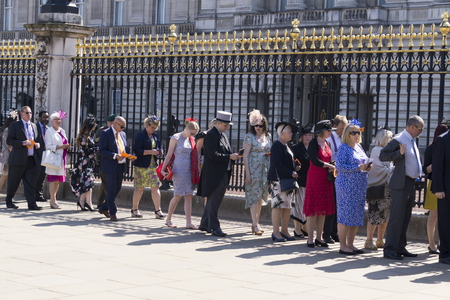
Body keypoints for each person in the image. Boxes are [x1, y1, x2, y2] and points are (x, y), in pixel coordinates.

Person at [380, 115, 424, 260]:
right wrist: (399, 153)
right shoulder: (399, 139)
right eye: (420, 129)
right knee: (396, 217)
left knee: (405, 217)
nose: (421, 132)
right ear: (412, 127)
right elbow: (383, 155)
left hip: (410, 182)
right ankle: (390, 249)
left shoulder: (411, 140)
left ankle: (400, 247)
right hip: (401, 183)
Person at [198, 111, 239, 237]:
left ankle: (205, 224)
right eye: (226, 125)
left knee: (214, 199)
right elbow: (212, 155)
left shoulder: (221, 134)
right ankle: (215, 227)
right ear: (219, 123)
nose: (227, 128)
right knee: (214, 200)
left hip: (222, 172)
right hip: (214, 174)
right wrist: (229, 157)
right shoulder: (211, 135)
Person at [335, 120, 371, 255]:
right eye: (353, 132)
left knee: (356, 215)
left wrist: (367, 166)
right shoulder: (344, 147)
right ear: (347, 134)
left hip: (359, 186)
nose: (356, 135)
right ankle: (343, 246)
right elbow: (339, 166)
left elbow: (363, 162)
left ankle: (351, 244)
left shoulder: (359, 147)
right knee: (345, 215)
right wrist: (358, 167)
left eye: (358, 132)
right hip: (346, 186)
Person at [161, 118, 200, 229]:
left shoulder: (190, 139)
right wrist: (163, 169)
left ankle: (188, 222)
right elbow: (168, 155)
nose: (193, 135)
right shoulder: (176, 137)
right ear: (187, 128)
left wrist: (198, 168)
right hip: (179, 171)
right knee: (177, 195)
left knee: (189, 196)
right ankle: (168, 219)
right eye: (192, 132)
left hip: (189, 171)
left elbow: (194, 155)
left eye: (194, 134)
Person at [303, 120, 336, 248]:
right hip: (315, 178)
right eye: (329, 130)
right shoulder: (313, 142)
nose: (331, 132)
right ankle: (310, 238)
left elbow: (329, 158)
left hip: (325, 179)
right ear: (322, 131)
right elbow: (314, 160)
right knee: (313, 209)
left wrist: (331, 164)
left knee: (322, 210)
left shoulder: (327, 143)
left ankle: (319, 237)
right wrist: (328, 165)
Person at [5, 106, 44, 210]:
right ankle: (9, 200)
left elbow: (36, 139)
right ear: (21, 114)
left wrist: (37, 144)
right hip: (18, 159)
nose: (29, 114)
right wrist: (22, 143)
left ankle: (32, 204)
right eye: (27, 112)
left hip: (31, 159)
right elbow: (9, 141)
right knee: (14, 181)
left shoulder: (34, 126)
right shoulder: (15, 125)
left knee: (30, 183)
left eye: (30, 112)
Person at [97, 116, 136, 221]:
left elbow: (124, 148)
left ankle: (103, 207)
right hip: (110, 165)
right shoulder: (105, 133)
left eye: (124, 127)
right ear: (115, 123)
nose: (123, 129)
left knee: (117, 188)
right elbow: (102, 150)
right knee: (111, 188)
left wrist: (129, 156)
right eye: (122, 126)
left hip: (121, 165)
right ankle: (112, 212)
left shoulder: (122, 134)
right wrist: (115, 155)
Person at [267, 121, 300, 242]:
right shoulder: (277, 144)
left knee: (287, 206)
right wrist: (291, 172)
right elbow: (277, 163)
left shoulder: (286, 145)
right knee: (277, 206)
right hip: (279, 180)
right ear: (282, 133)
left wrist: (294, 168)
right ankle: (276, 232)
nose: (292, 134)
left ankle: (284, 230)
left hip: (287, 180)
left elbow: (284, 163)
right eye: (290, 132)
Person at [365, 126, 394, 251]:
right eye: (390, 138)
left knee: (385, 216)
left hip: (386, 188)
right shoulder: (377, 150)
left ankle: (380, 240)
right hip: (377, 187)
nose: (392, 140)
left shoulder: (384, 150)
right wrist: (392, 169)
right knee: (375, 215)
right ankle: (368, 240)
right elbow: (378, 169)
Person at [243, 110, 271, 235]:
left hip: (264, 169)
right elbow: (245, 155)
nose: (258, 128)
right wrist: (247, 173)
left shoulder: (268, 137)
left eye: (260, 125)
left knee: (260, 196)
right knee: (254, 196)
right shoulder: (249, 137)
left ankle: (257, 222)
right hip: (253, 169)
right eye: (256, 125)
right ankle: (255, 224)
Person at [422, 123, 449, 254]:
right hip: (437, 186)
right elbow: (430, 168)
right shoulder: (436, 144)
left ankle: (441, 244)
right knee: (436, 216)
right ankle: (434, 245)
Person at [132, 115, 164, 218]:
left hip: (152, 166)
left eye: (156, 128)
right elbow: (136, 150)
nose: (154, 129)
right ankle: (134, 209)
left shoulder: (155, 135)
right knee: (139, 188)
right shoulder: (141, 135)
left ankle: (158, 211)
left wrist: (159, 151)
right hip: (141, 166)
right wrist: (150, 152)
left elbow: (158, 146)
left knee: (155, 187)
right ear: (147, 125)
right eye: (152, 127)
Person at [323, 115, 348, 244]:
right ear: (335, 127)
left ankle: (334, 232)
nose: (343, 131)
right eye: (341, 128)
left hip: (341, 174)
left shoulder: (344, 138)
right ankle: (326, 233)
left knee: (338, 205)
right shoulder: (331, 139)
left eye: (345, 128)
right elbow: (328, 155)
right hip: (331, 173)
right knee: (331, 204)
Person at [290, 123, 314, 238]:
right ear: (302, 136)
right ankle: (296, 228)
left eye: (310, 135)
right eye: (306, 135)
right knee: (298, 204)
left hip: (311, 180)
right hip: (300, 180)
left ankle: (305, 227)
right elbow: (291, 162)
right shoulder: (296, 148)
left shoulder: (313, 148)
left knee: (307, 205)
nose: (308, 137)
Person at [431, 123, 450, 264]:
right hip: (445, 190)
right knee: (445, 222)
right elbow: (437, 166)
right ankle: (445, 253)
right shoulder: (442, 139)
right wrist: (438, 189)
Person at [70, 115, 98, 211]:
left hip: (89, 162)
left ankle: (84, 202)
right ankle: (86, 202)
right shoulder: (84, 136)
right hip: (83, 163)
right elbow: (86, 151)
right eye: (94, 123)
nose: (96, 125)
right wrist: (96, 148)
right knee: (88, 182)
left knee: (88, 182)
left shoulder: (91, 135)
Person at [45, 111, 70, 209]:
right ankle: (52, 200)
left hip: (61, 158)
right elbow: (48, 146)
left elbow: (65, 142)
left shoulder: (62, 130)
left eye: (59, 119)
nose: (58, 121)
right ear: (51, 121)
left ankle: (54, 199)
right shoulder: (49, 131)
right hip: (53, 158)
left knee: (58, 180)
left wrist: (66, 146)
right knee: (53, 179)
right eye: (56, 119)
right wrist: (60, 146)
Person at [94, 114, 116, 208]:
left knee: (104, 183)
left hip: (112, 160)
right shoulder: (102, 130)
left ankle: (100, 203)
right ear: (108, 122)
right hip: (101, 159)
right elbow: (98, 142)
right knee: (107, 183)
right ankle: (109, 204)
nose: (112, 124)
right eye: (111, 122)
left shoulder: (117, 132)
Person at [195, 118, 217, 206]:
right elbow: (197, 151)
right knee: (207, 192)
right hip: (204, 163)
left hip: (214, 163)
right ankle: (207, 213)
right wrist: (197, 166)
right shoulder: (203, 135)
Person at [0, 110, 19, 202]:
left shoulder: (7, 129)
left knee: (5, 177)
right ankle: (9, 197)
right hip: (9, 156)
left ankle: (9, 196)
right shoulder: (9, 130)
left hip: (7, 156)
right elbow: (9, 145)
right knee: (5, 176)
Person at [35, 110, 49, 203]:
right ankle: (33, 193)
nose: (46, 119)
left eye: (47, 117)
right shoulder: (35, 127)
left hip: (45, 155)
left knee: (42, 175)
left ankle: (39, 194)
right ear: (39, 118)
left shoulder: (48, 129)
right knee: (36, 175)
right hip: (36, 155)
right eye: (44, 117)